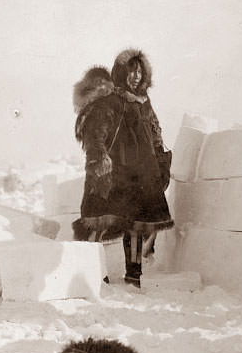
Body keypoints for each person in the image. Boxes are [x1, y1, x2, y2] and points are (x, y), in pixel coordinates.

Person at [71, 49, 174, 287]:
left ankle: (133, 277)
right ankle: (92, 273)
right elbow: (95, 134)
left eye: (139, 71)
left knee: (137, 226)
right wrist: (98, 159)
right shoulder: (109, 102)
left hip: (142, 176)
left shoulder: (144, 104)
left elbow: (156, 135)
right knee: (100, 225)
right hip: (114, 175)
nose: (136, 76)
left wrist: (161, 164)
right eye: (131, 71)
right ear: (121, 73)